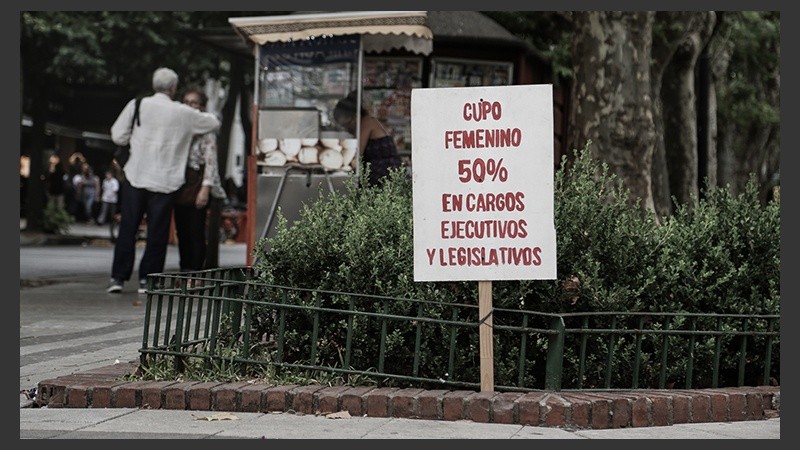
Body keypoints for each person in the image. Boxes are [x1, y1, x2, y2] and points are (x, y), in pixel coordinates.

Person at [107, 67, 220, 294]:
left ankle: (118, 278)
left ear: (154, 85)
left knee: (128, 228)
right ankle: (147, 281)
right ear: (173, 88)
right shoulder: (182, 112)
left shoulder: (137, 105)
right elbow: (213, 122)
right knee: (157, 233)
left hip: (136, 175)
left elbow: (117, 135)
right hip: (166, 180)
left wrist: (139, 141)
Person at [173, 86, 226, 275]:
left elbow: (211, 163)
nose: (189, 106)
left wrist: (205, 189)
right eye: (186, 102)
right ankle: (184, 269)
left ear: (202, 106)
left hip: (198, 182)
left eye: (194, 102)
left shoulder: (207, 129)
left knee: (195, 229)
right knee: (182, 230)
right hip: (179, 182)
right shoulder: (179, 127)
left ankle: (195, 273)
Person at [333, 91, 402, 187]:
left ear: (355, 117)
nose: (348, 130)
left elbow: (358, 153)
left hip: (384, 173)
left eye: (347, 125)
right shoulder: (365, 123)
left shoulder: (367, 122)